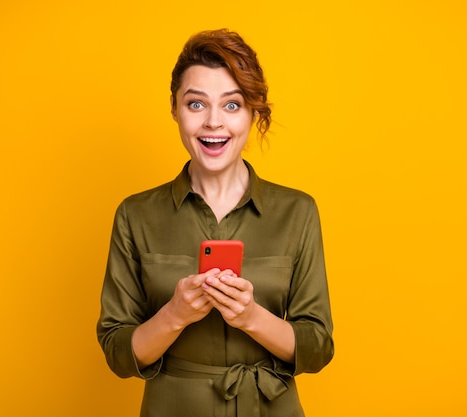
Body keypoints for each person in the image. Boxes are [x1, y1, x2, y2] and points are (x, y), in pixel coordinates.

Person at [97, 28, 334, 417]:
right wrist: (174, 315)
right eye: (195, 104)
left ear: (253, 111)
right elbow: (118, 354)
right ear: (174, 108)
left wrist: (251, 317)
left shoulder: (298, 211)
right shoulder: (135, 215)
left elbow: (318, 346)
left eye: (231, 105)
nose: (212, 123)